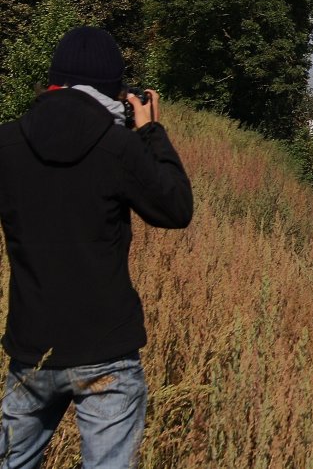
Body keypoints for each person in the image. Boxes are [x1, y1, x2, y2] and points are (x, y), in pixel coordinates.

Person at [0, 26, 193, 468]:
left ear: (53, 81)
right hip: (105, 351)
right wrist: (150, 131)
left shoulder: (7, 143)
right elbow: (176, 208)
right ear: (115, 90)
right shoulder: (118, 146)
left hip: (31, 350)